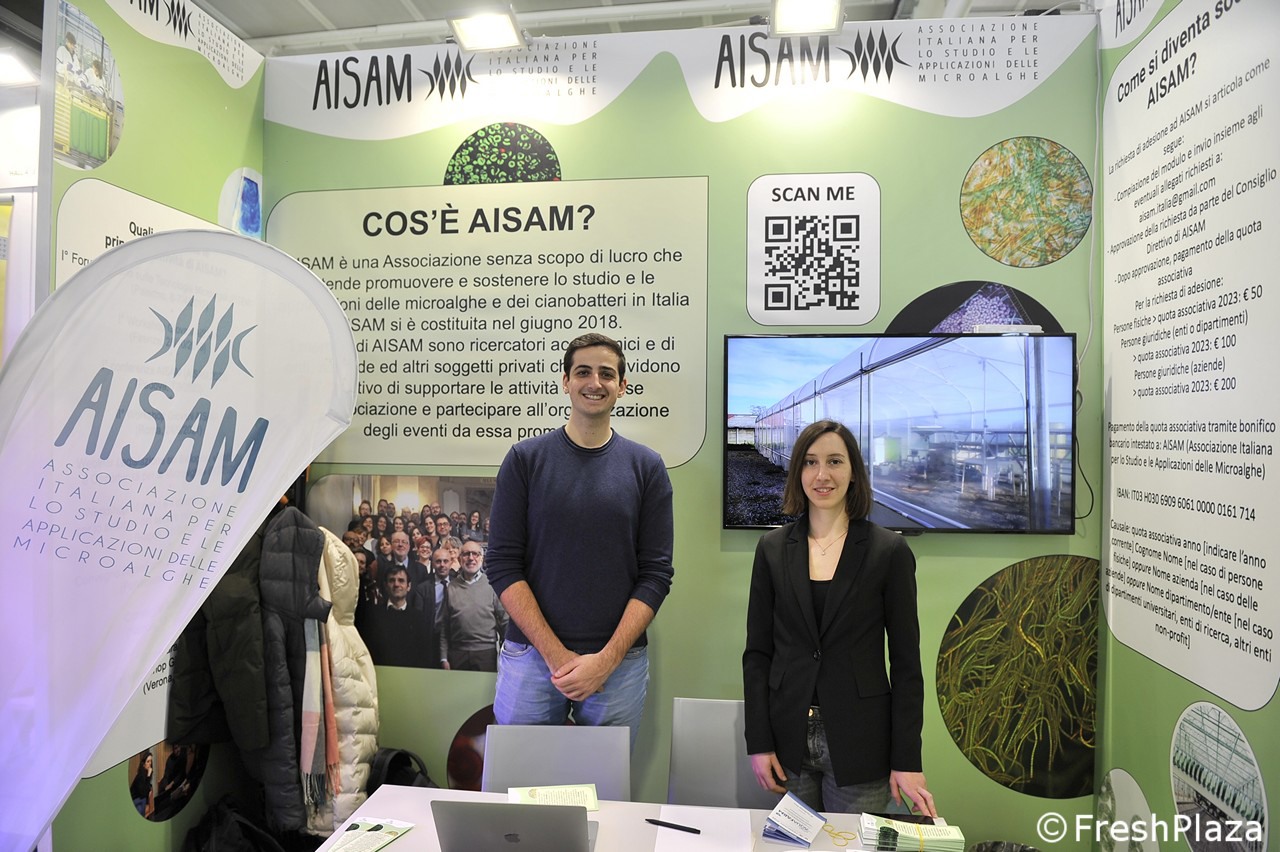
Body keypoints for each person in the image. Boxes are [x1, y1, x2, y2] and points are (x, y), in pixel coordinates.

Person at [486, 333, 674, 749]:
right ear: (566, 382)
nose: (595, 382)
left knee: (604, 785)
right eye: (583, 372)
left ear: (622, 386)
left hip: (619, 665)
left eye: (607, 374)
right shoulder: (525, 460)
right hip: (531, 659)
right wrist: (556, 656)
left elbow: (656, 574)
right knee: (521, 784)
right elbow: (501, 564)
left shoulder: (647, 467)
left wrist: (606, 660)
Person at [743, 419, 937, 817]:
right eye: (810, 462)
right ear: (798, 471)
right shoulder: (772, 549)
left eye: (834, 461)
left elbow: (906, 665)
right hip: (787, 740)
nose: (822, 475)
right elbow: (757, 654)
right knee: (793, 846)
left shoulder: (889, 552)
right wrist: (758, 743)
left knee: (851, 844)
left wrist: (907, 759)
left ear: (853, 472)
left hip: (861, 742)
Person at [442, 542, 508, 671]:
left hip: (486, 654)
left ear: (482, 559)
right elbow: (445, 627)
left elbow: (505, 622)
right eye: (466, 554)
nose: (471, 558)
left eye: (475, 554)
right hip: (457, 653)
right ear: (460, 559)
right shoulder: (451, 587)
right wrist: (443, 658)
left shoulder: (492, 585)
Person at [130, 751, 154, 817]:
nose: (150, 764)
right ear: (143, 764)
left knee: (144, 800)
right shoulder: (140, 776)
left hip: (141, 798)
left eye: (151, 761)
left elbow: (147, 787)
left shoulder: (146, 773)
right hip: (134, 800)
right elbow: (143, 793)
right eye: (148, 761)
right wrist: (148, 775)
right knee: (143, 801)